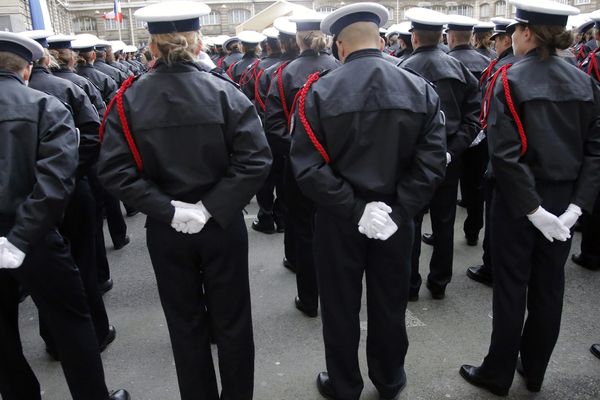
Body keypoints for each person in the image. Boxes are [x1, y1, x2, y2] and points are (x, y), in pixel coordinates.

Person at [97, 2, 272, 399]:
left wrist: (170, 209)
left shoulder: (129, 99)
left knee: (185, 323)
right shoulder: (224, 91)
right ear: (196, 43)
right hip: (221, 224)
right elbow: (256, 159)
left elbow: (113, 171)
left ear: (152, 47)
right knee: (233, 322)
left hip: (168, 228)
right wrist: (210, 207)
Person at [290, 4, 446, 399]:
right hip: (396, 216)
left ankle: (345, 384)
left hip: (340, 219)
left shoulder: (319, 90)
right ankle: (389, 378)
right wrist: (397, 209)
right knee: (389, 302)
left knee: (340, 308)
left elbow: (306, 167)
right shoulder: (418, 87)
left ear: (339, 46)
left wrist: (357, 210)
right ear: (380, 41)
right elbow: (432, 163)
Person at [460, 0, 600, 396]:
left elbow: (504, 155)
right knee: (549, 288)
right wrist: (574, 208)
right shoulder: (585, 82)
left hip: (518, 201)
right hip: (563, 202)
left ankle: (498, 372)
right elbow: (595, 150)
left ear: (525, 32)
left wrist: (534, 210)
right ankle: (534, 369)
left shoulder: (508, 79)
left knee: (511, 288)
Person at [0, 31, 129, 400]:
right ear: (26, 70)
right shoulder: (43, 105)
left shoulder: (45, 104)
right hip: (34, 234)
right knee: (71, 322)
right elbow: (56, 182)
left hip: (24, 230)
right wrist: (21, 238)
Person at [22, 29, 117, 358]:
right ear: (45, 58)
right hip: (72, 189)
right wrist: (68, 175)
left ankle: (53, 339)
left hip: (26, 197)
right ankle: (97, 331)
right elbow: (94, 135)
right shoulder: (67, 86)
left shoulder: (63, 86)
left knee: (43, 271)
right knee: (83, 262)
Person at [400, 7, 480, 301]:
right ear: (440, 37)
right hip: (448, 157)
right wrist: (451, 150)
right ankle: (439, 282)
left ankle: (410, 284)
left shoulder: (403, 68)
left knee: (411, 220)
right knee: (444, 221)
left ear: (416, 37)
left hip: (415, 160)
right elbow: (474, 119)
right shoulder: (458, 68)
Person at [265, 14, 339, 318]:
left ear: (298, 40)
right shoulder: (341, 67)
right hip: (338, 166)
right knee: (336, 231)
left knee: (304, 230)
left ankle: (309, 298)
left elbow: (274, 125)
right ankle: (336, 297)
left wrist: (300, 154)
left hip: (299, 166)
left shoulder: (284, 74)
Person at [466, 17, 520, 286]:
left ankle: (492, 266)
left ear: (508, 39)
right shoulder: (571, 67)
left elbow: (491, 120)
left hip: (504, 156)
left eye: (497, 39)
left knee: (499, 217)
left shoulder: (504, 70)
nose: (494, 43)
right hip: (553, 167)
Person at [252, 17, 300, 241]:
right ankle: (279, 216)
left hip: (277, 139)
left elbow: (261, 109)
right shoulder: (335, 66)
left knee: (273, 178)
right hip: (321, 148)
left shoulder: (270, 71)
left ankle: (269, 216)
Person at [446, 15, 491, 248]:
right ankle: (473, 231)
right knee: (475, 186)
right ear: (470, 37)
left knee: (447, 191)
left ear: (451, 37)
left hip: (453, 134)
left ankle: (442, 234)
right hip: (480, 133)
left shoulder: (446, 61)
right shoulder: (489, 60)